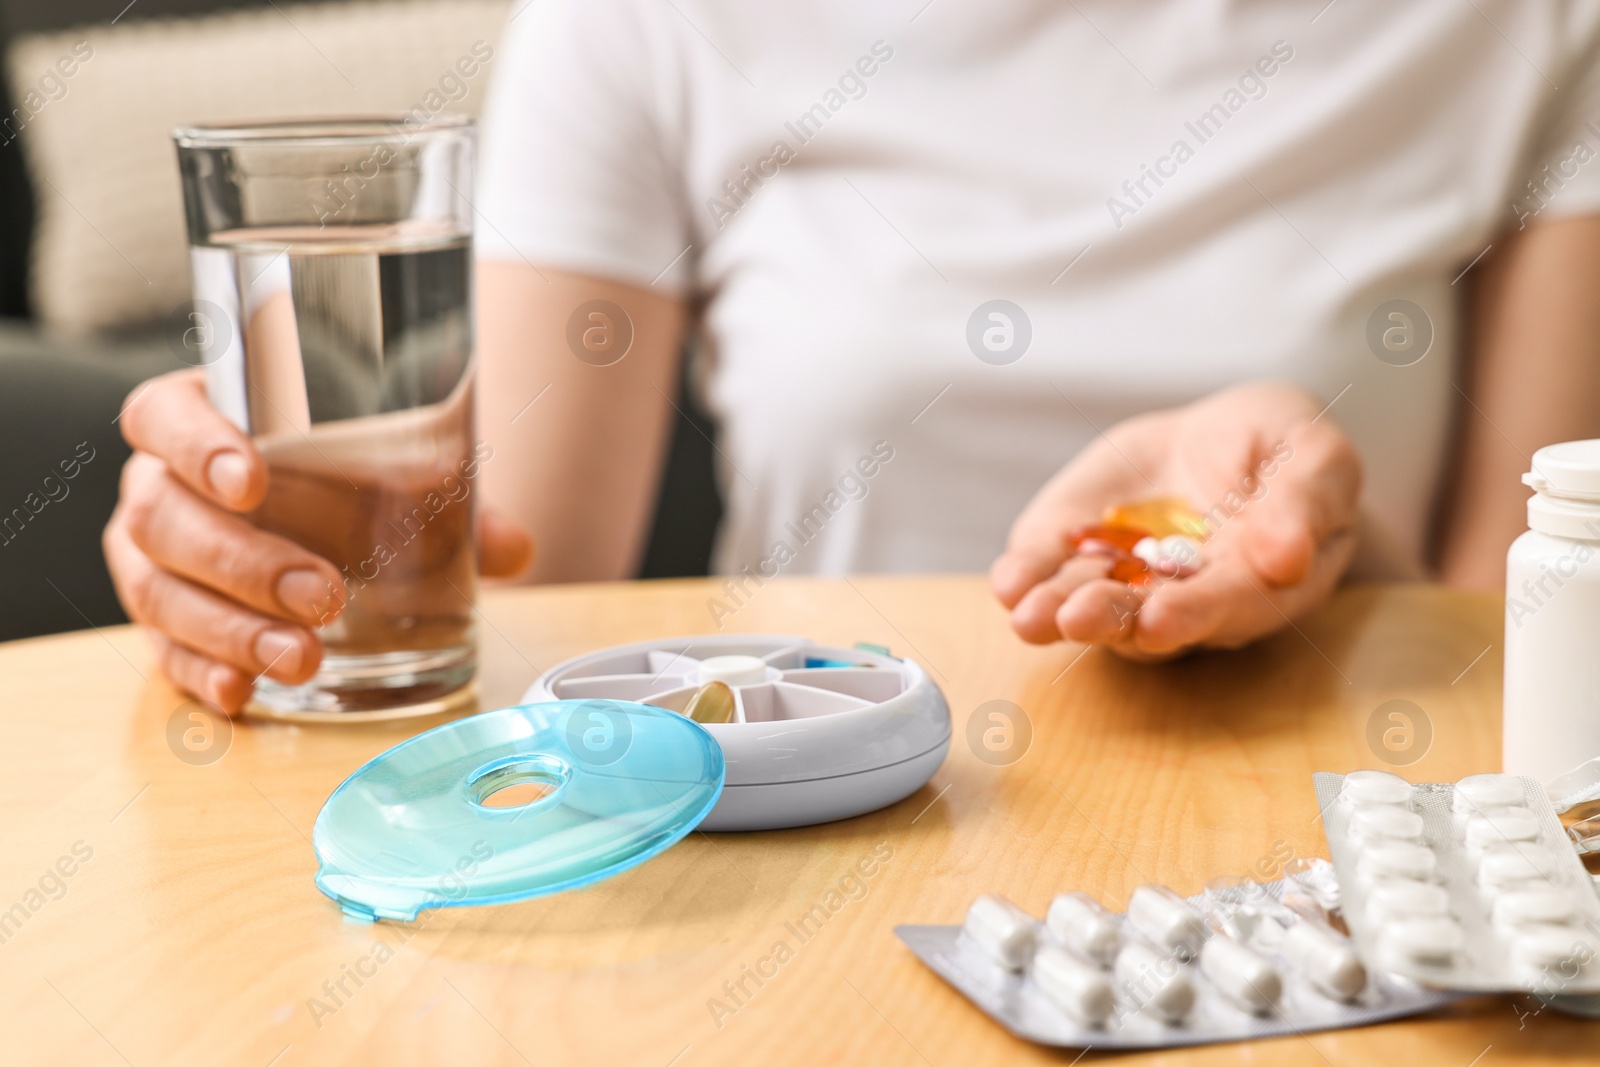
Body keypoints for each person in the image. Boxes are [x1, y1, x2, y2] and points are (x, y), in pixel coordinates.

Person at [105, 1, 1600, 710]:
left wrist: (1317, 522)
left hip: (1314, 823)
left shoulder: (1525, 25)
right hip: (795, 805)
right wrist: (259, 553)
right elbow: (516, 585)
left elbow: (1529, 654)